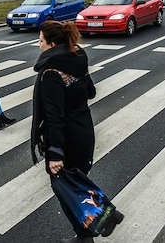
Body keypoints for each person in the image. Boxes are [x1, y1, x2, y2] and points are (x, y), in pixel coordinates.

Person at [30, 20, 123, 242]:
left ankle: (101, 220)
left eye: (41, 40)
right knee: (76, 183)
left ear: (52, 44)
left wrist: (55, 153)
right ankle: (87, 232)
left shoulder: (51, 72)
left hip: (67, 139)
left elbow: (55, 117)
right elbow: (90, 92)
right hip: (84, 133)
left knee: (66, 187)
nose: (38, 44)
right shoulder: (76, 59)